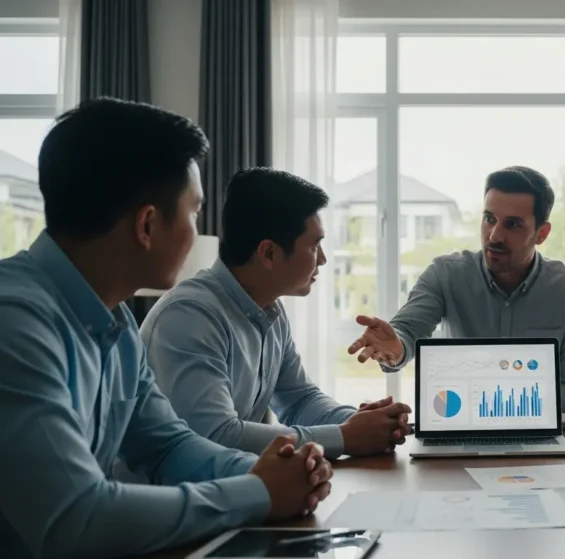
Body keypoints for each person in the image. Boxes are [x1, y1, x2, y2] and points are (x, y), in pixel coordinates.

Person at [0, 98, 333, 559]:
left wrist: (278, 470)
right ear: (148, 224)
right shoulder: (14, 322)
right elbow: (75, 519)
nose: (200, 234)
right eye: (194, 213)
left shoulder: (113, 322)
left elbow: (167, 447)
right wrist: (257, 493)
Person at [141, 167, 412, 460]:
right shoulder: (189, 317)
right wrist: (346, 436)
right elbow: (215, 436)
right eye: (315, 246)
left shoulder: (270, 310)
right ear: (269, 253)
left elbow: (299, 400)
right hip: (163, 501)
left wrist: (362, 422)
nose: (322, 259)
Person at [347, 166, 565, 413]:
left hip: (535, 434)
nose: (494, 236)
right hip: (459, 420)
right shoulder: (445, 274)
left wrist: (478, 392)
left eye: (512, 225)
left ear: (541, 233)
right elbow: (407, 331)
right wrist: (396, 347)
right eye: (489, 219)